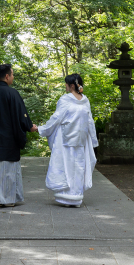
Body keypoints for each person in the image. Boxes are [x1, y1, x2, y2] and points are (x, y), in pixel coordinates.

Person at [0, 64, 38, 207]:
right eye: (12, 74)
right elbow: (21, 115)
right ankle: (8, 199)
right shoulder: (12, 93)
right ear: (7, 76)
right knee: (8, 169)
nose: (12, 77)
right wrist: (30, 126)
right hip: (9, 139)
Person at [38, 74, 98, 207]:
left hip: (66, 138)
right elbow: (90, 121)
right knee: (78, 166)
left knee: (67, 166)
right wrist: (93, 140)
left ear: (71, 85)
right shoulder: (85, 100)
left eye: (66, 84)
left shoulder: (65, 99)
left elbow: (56, 118)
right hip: (80, 138)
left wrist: (41, 129)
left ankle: (68, 197)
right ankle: (75, 197)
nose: (65, 86)